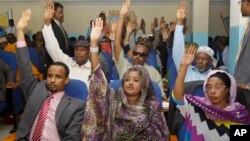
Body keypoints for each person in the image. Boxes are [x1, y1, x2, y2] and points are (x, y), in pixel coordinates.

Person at [81, 10, 169, 140]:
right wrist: (93, 44)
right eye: (127, 79)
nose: (130, 82)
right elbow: (98, 81)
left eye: (135, 80)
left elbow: (162, 135)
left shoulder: (152, 106)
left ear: (144, 84)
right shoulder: (113, 102)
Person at [15, 8, 85, 140]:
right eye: (50, 75)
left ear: (66, 80)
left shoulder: (76, 106)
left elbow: (72, 137)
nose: (52, 80)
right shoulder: (36, 90)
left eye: (58, 77)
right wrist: (19, 31)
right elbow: (24, 65)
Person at [173, 45, 250, 141]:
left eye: (218, 87)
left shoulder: (238, 115)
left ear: (227, 90)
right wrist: (183, 66)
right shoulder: (197, 108)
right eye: (208, 87)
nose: (212, 91)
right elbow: (178, 98)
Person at [43, 2, 109, 89]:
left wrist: (93, 42)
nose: (78, 52)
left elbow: (101, 87)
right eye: (76, 49)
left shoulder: (94, 67)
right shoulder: (67, 62)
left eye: (82, 50)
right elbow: (52, 48)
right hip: (67, 101)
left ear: (88, 53)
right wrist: (47, 22)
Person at [114, 0, 165, 99]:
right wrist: (122, 16)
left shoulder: (153, 72)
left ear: (146, 58)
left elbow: (160, 96)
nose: (137, 56)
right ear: (132, 54)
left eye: (141, 55)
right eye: (135, 53)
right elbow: (116, 44)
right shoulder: (124, 66)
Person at [173, 1, 214, 82]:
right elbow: (177, 53)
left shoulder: (214, 76)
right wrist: (179, 23)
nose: (200, 61)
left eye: (204, 59)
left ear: (211, 61)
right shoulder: (186, 71)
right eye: (198, 58)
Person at [234, 0, 250, 90]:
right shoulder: (248, 24)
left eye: (240, 3)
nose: (240, 6)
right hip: (241, 83)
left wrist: (248, 85)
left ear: (247, 4)